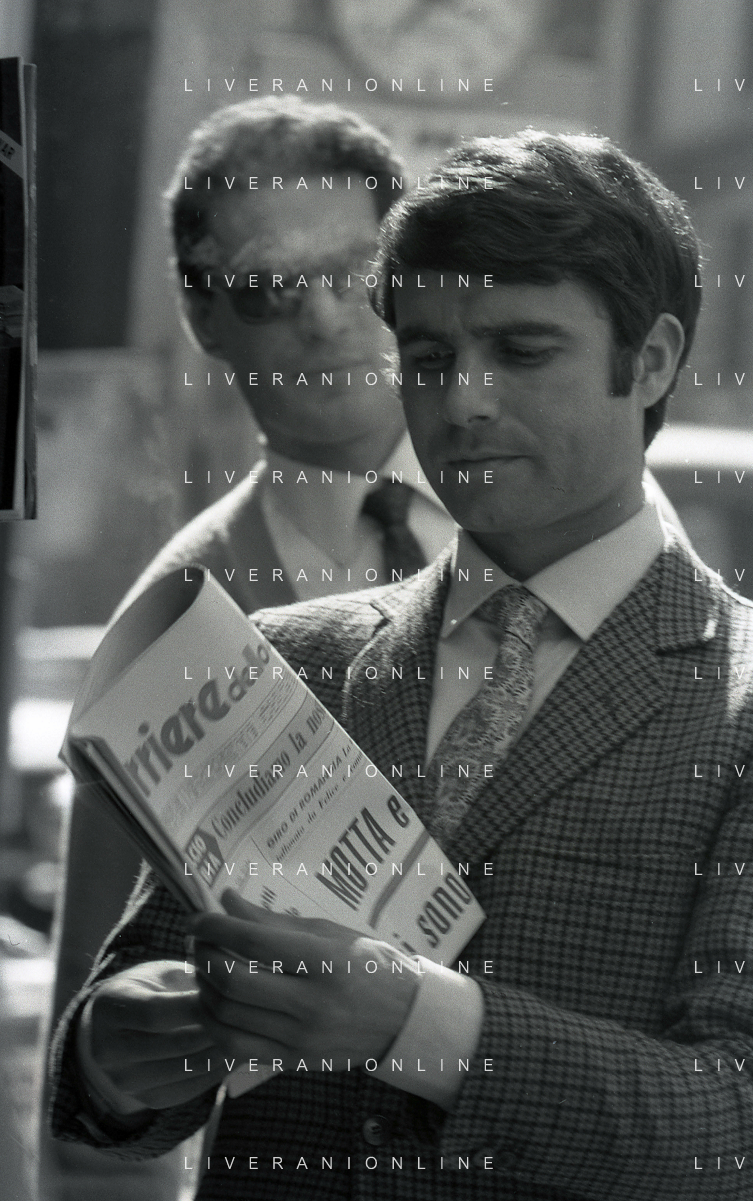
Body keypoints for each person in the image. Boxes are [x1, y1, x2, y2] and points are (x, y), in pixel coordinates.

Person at [48, 129, 745, 1201]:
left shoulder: (735, 703)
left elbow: (731, 1117)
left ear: (649, 359)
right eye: (427, 359)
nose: (462, 401)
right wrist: (118, 1052)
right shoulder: (284, 658)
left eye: (522, 351)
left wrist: (416, 1023)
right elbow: (118, 1053)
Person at [40, 98, 454, 1201]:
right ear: (202, 314)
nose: (322, 318)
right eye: (269, 286)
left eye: (353, 272)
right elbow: (101, 1072)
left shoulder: (552, 507)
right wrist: (117, 1077)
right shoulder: (172, 631)